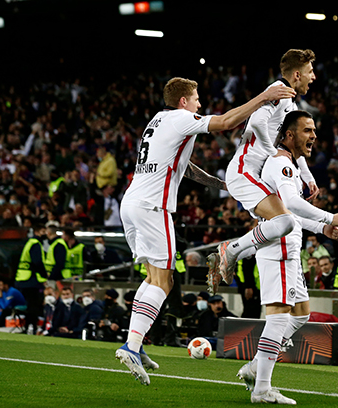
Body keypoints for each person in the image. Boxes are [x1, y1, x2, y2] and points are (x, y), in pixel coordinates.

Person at [116, 76, 295, 385]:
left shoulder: (158, 120)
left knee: (153, 276)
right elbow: (225, 122)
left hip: (131, 203)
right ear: (184, 101)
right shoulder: (182, 118)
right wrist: (263, 97)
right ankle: (132, 346)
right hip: (153, 206)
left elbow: (182, 166)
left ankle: (135, 342)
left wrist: (220, 184)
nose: (200, 103)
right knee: (164, 279)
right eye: (196, 98)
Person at [234, 110, 338, 404]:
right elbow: (292, 202)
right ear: (290, 135)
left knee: (301, 313)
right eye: (308, 130)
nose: (314, 136)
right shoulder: (281, 163)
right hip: (279, 244)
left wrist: (322, 228)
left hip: (289, 244)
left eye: (315, 130)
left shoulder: (289, 165)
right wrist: (331, 216)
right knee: (280, 316)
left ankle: (257, 366)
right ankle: (261, 388)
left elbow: (290, 213)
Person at [216, 50, 338, 288]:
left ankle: (236, 252)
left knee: (284, 221)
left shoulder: (290, 99)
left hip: (253, 173)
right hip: (245, 170)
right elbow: (256, 122)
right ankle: (232, 249)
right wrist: (271, 151)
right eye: (310, 72)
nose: (314, 77)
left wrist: (307, 176)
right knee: (285, 220)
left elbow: (293, 143)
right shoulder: (280, 89)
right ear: (297, 74)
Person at [15, 224, 49, 334]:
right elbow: (37, 262)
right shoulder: (36, 244)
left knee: (30, 305)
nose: (45, 234)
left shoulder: (30, 242)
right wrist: (44, 275)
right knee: (34, 305)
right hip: (31, 280)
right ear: (37, 231)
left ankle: (28, 327)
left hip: (24, 279)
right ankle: (31, 327)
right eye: (43, 231)